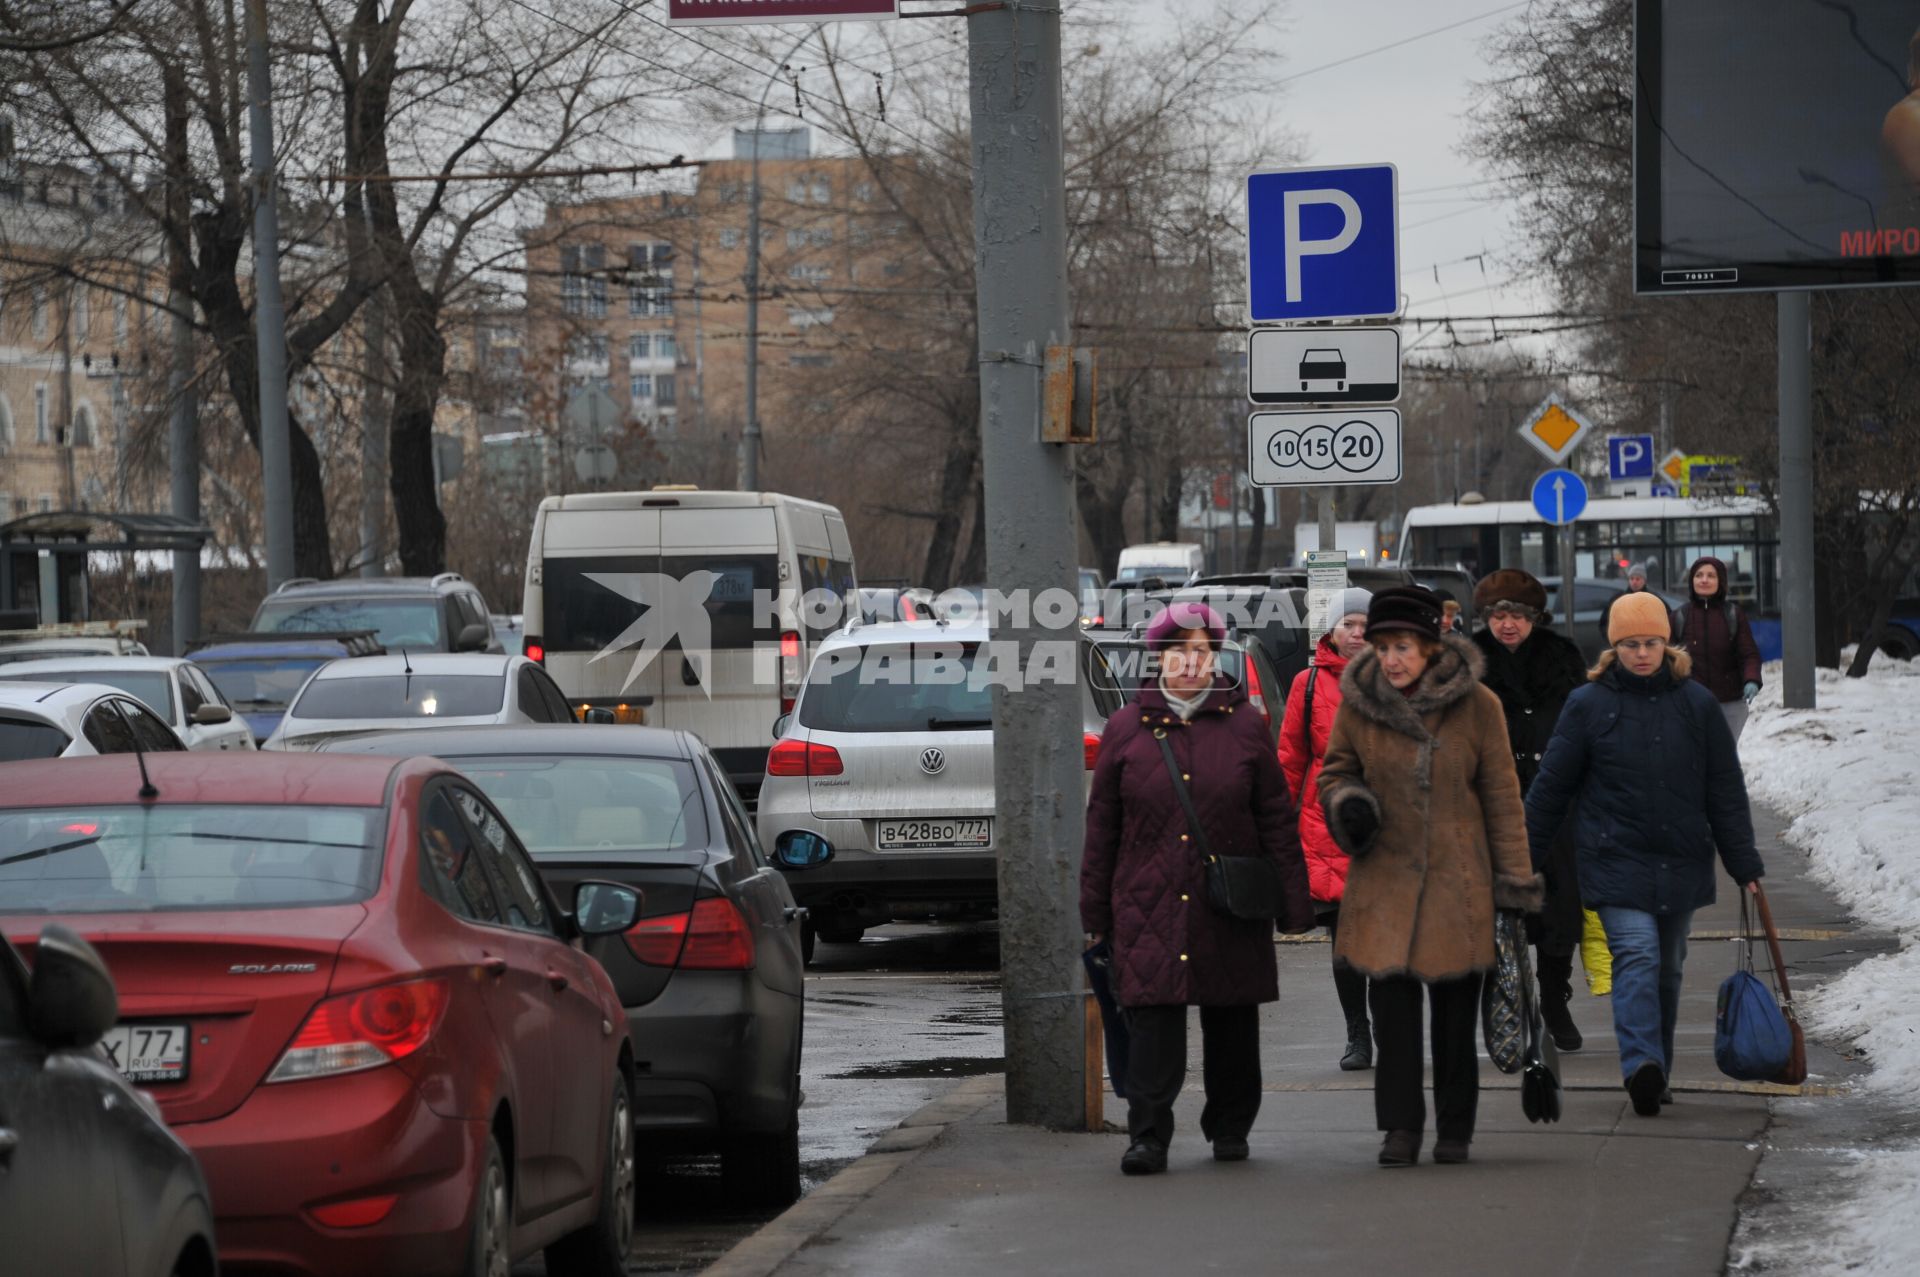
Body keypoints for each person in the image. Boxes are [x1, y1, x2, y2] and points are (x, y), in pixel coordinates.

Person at [1081, 601, 1314, 1175]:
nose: (1190, 663)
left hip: (1227, 900)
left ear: (1215, 660)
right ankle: (1148, 1135)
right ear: (1158, 659)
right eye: (1179, 651)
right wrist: (1094, 910)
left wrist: (1295, 904)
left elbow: (1275, 818)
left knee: (1231, 1019)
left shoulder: (1244, 728)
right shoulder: (1125, 730)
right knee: (1152, 1023)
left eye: (1202, 651)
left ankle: (1230, 1127)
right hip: (1147, 901)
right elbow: (1102, 826)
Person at [1316, 587, 1542, 1168]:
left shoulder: (1479, 705)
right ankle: (1399, 1130)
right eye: (1383, 646)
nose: (1391, 659)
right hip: (1383, 883)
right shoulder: (1358, 702)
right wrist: (1350, 805)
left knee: (1452, 1019)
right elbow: (1335, 771)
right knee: (1392, 1022)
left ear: (1431, 646)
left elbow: (1502, 798)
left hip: (1457, 885)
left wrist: (1513, 885)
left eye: (1403, 647)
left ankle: (1455, 1130)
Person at [1525, 591, 1766, 1116]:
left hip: (1680, 858)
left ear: (1666, 643)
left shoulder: (1696, 703)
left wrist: (1743, 861)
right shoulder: (1587, 705)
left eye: (1651, 642)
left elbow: (1724, 789)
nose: (1641, 652)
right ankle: (1640, 1066)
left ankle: (1659, 1069)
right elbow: (1551, 788)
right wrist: (1521, 859)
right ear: (1614, 648)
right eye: (1630, 644)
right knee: (1637, 955)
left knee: (1669, 969)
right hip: (1613, 858)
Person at [1471, 569, 1590, 1054]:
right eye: (1499, 615)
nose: (1508, 624)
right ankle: (1510, 1004)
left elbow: (1584, 729)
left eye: (1518, 615)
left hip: (1555, 801)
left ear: (1535, 618)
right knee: (1499, 911)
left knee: (1559, 906)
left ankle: (1556, 998)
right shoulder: (1469, 664)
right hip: (1491, 805)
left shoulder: (1562, 661)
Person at [1278, 587, 1374, 1071]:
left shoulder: (1396, 677)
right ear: (1331, 631)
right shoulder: (1307, 684)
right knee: (1344, 941)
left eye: (1364, 625)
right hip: (1327, 824)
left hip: (1386, 825)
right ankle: (1359, 1033)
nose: (1357, 634)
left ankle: (1393, 1026)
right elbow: (1291, 758)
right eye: (1348, 625)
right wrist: (1276, 826)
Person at [1669, 556, 1762, 740]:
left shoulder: (1733, 615)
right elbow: (1667, 657)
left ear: (1720, 581)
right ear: (1692, 581)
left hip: (1729, 703)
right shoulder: (1679, 616)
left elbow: (1748, 654)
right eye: (1699, 575)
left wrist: (1751, 679)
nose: (1704, 580)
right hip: (1689, 702)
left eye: (1711, 575)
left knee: (1723, 757)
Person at [1595, 561, 1651, 650]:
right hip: (1624, 646)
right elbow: (1605, 623)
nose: (1634, 582)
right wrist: (1613, 641)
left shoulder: (1653, 599)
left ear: (1644, 580)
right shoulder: (1618, 599)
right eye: (1631, 579)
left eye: (1637, 579)